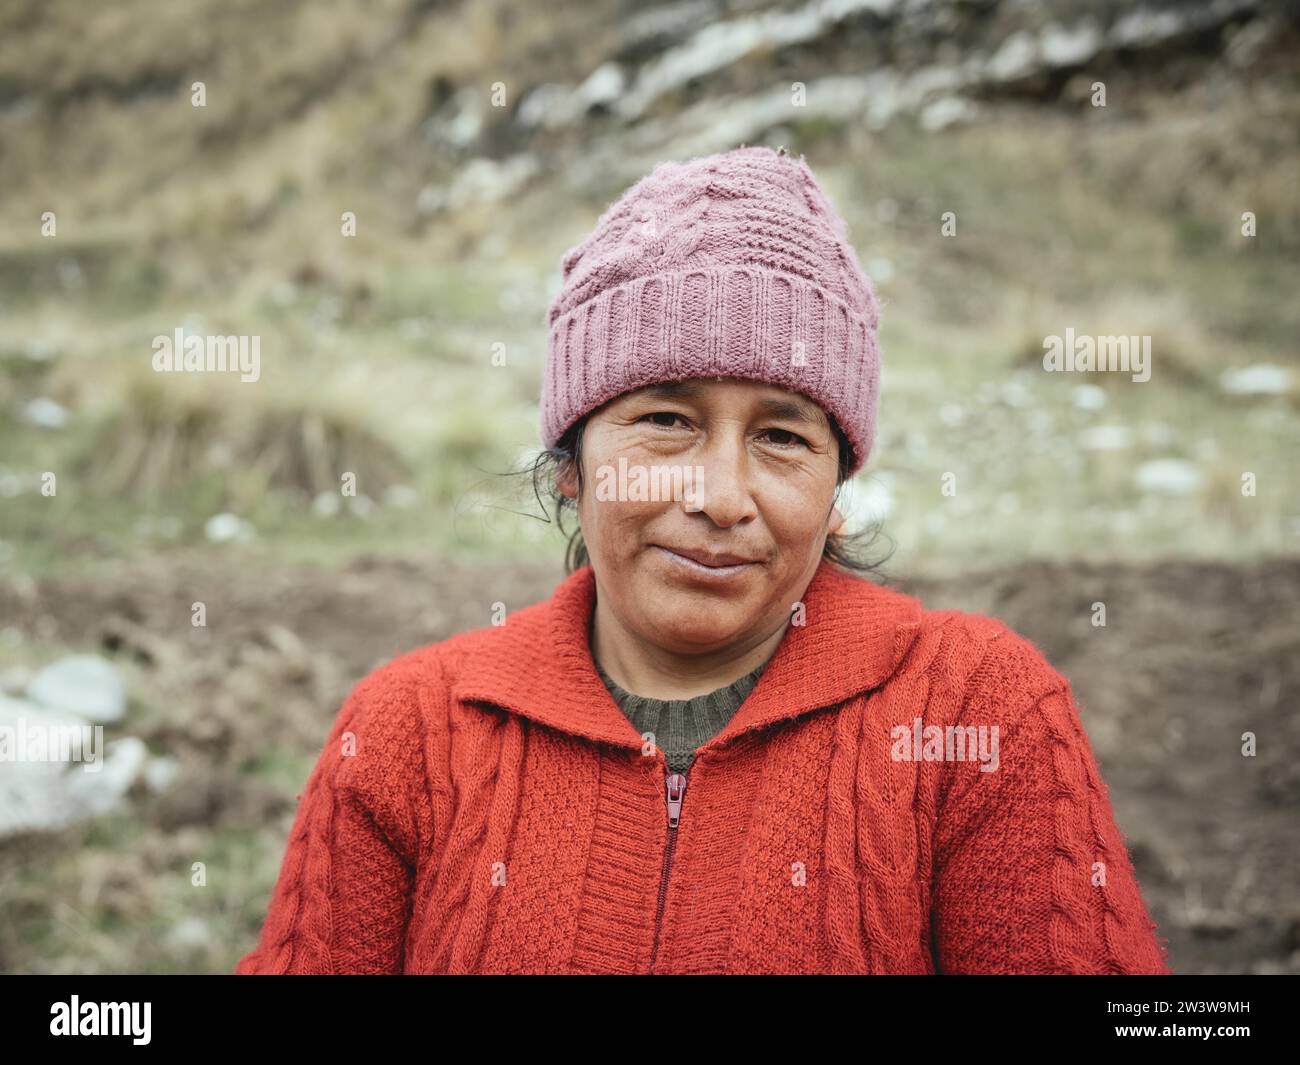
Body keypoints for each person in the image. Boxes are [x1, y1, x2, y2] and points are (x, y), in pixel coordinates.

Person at [235, 145, 1172, 975]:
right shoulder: (410, 731)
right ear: (572, 465)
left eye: (782, 437)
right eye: (666, 421)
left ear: (838, 488)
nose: (722, 496)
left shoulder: (979, 709)